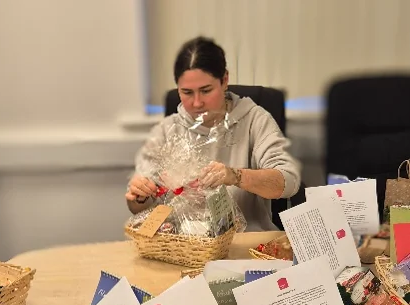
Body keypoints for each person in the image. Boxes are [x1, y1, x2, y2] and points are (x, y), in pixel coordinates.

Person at [126, 36, 301, 231]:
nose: (197, 102)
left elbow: (288, 183)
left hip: (245, 241)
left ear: (224, 80)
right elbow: (136, 207)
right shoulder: (167, 130)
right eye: (187, 92)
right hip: (183, 246)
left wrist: (235, 176)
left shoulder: (254, 119)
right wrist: (140, 196)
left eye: (206, 90)